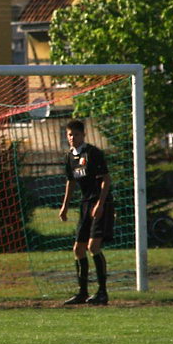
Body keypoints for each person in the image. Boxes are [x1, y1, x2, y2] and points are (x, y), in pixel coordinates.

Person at [59, 119, 113, 305]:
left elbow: (106, 180)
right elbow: (71, 182)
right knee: (78, 249)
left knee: (93, 247)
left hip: (100, 203)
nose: (73, 138)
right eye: (70, 135)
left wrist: (100, 203)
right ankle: (82, 292)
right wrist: (65, 206)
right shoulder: (69, 157)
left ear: (83, 135)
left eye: (76, 134)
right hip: (84, 204)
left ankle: (102, 293)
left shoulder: (92, 153)